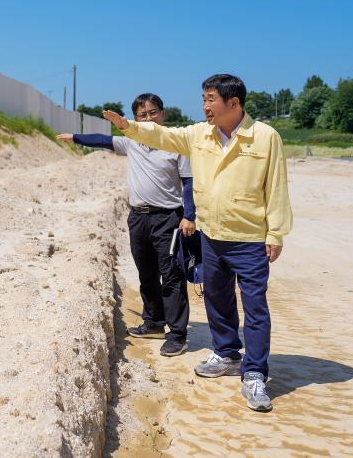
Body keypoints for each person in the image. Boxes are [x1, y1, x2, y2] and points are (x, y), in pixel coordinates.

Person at [101, 74, 293, 412]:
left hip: (249, 238)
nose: (205, 106)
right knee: (217, 299)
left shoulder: (265, 138)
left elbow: (276, 187)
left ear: (233, 104)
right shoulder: (197, 135)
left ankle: (255, 374)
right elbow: (162, 134)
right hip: (211, 235)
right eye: (203, 99)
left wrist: (275, 233)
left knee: (255, 308)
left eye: (210, 99)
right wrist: (128, 126)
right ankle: (227, 353)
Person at [58, 93, 196, 357]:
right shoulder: (132, 142)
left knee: (172, 276)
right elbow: (103, 141)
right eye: (142, 115)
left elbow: (189, 183)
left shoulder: (176, 144)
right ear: (135, 119)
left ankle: (178, 334)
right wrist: (74, 137)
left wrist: (189, 215)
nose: (148, 118)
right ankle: (154, 322)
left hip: (168, 218)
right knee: (146, 272)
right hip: (138, 217)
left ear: (162, 114)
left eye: (153, 112)